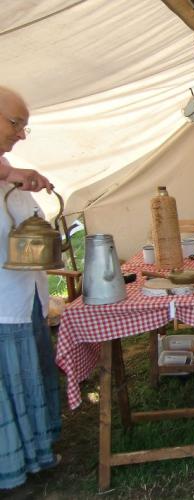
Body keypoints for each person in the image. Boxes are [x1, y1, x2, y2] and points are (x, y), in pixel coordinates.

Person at [0, 86, 61, 489]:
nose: (22, 133)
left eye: (25, 126)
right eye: (15, 122)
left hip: (29, 298)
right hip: (3, 306)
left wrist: (18, 177)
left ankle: (37, 451)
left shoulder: (7, 169)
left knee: (31, 374)